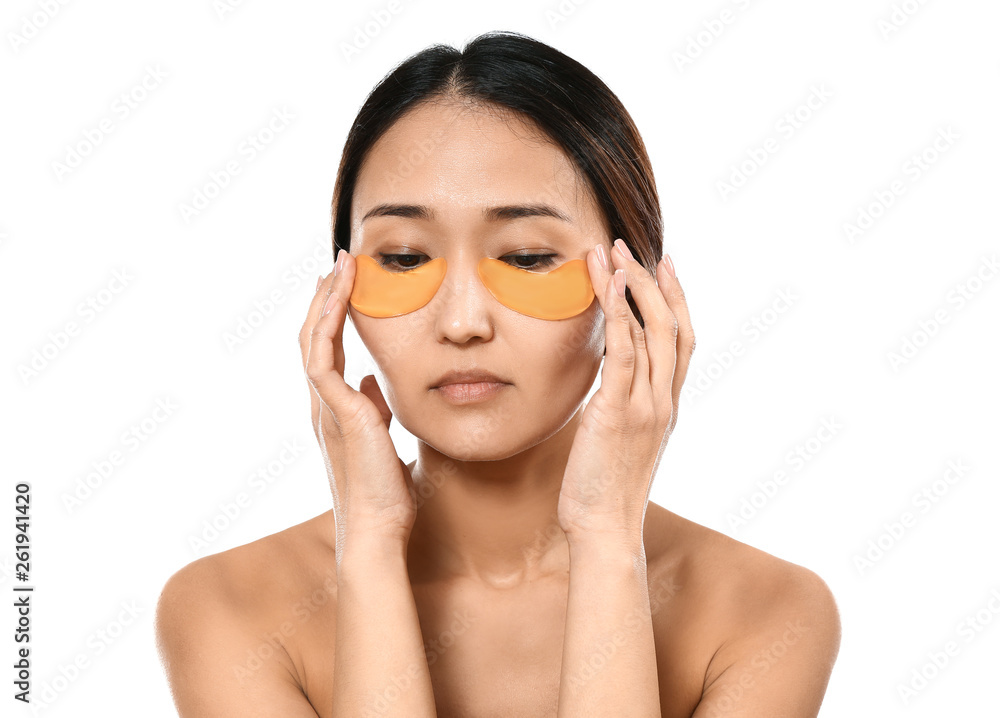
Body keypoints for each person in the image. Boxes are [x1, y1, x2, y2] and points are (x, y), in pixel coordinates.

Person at [155, 30, 841, 717]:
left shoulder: (766, 614)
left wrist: (605, 539)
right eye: (401, 257)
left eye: (525, 256)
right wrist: (367, 545)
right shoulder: (228, 609)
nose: (461, 322)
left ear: (631, 289)